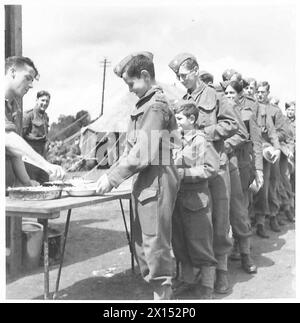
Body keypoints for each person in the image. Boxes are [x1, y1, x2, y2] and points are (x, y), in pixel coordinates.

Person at [95, 52, 180, 300]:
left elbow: (142, 152)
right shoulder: (143, 105)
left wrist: (111, 179)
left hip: (158, 177)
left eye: (131, 84)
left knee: (154, 242)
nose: (130, 90)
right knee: (143, 241)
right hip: (146, 179)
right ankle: (158, 291)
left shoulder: (155, 106)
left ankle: (163, 297)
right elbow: (130, 151)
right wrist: (111, 175)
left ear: (145, 75)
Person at [168, 53, 239, 294]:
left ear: (196, 70)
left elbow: (233, 125)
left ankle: (221, 273)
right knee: (198, 224)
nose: (181, 80)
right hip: (192, 170)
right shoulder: (184, 100)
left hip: (216, 166)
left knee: (220, 223)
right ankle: (195, 274)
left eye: (184, 75)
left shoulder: (216, 96)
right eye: (178, 77)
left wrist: (203, 132)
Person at [171, 100, 218, 299]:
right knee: (181, 242)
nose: (177, 122)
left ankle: (207, 285)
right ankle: (188, 280)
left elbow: (210, 168)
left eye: (180, 118)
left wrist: (183, 173)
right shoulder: (175, 139)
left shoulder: (202, 140)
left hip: (197, 199)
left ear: (192, 119)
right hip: (178, 198)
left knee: (200, 243)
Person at [5, 56, 65, 188]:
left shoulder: (14, 108)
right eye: (27, 78)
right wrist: (46, 164)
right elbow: (8, 139)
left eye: (32, 80)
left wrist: (27, 182)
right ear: (12, 72)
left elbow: (14, 151)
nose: (31, 85)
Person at [224, 79, 261, 274]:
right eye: (226, 94)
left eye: (232, 93)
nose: (229, 97)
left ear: (240, 95)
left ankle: (246, 254)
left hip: (243, 167)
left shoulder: (247, 113)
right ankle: (230, 251)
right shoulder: (220, 113)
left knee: (240, 211)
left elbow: (256, 142)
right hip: (224, 165)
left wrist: (259, 170)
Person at [253, 81, 282, 237]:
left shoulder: (270, 110)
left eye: (263, 92)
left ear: (268, 93)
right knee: (254, 189)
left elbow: (273, 132)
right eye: (258, 91)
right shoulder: (251, 106)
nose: (259, 94)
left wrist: (275, 148)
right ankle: (256, 220)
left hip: (267, 154)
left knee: (269, 187)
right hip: (251, 151)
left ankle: (266, 219)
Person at [23, 90, 51, 183]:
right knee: (32, 184)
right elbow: (21, 137)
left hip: (43, 156)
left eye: (47, 101)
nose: (45, 103)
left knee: (45, 182)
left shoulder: (46, 117)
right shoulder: (28, 115)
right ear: (36, 100)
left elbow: (46, 135)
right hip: (31, 158)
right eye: (42, 100)